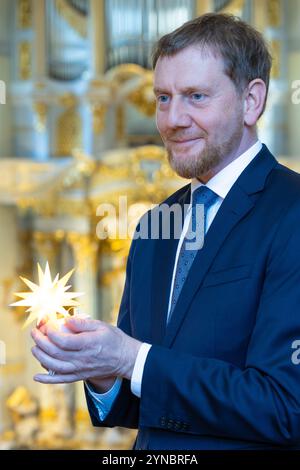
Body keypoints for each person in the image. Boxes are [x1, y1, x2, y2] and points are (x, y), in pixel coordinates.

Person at [31, 13, 300, 450]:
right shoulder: (153, 224)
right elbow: (143, 405)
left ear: (252, 101)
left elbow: (287, 407)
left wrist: (131, 357)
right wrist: (100, 367)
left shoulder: (292, 211)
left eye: (196, 96)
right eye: (162, 98)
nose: (172, 119)